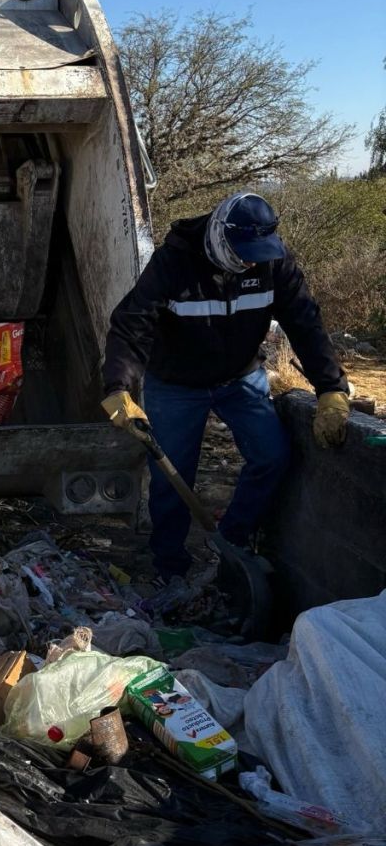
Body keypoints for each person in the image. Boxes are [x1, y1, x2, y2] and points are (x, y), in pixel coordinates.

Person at [100, 192, 349, 582]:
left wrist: (331, 388)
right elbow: (132, 325)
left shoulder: (273, 261)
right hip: (177, 383)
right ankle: (170, 567)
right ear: (220, 235)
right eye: (243, 253)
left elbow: (305, 322)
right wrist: (118, 387)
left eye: (256, 254)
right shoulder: (174, 262)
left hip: (240, 377)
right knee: (172, 476)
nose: (250, 261)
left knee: (271, 456)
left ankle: (231, 547)